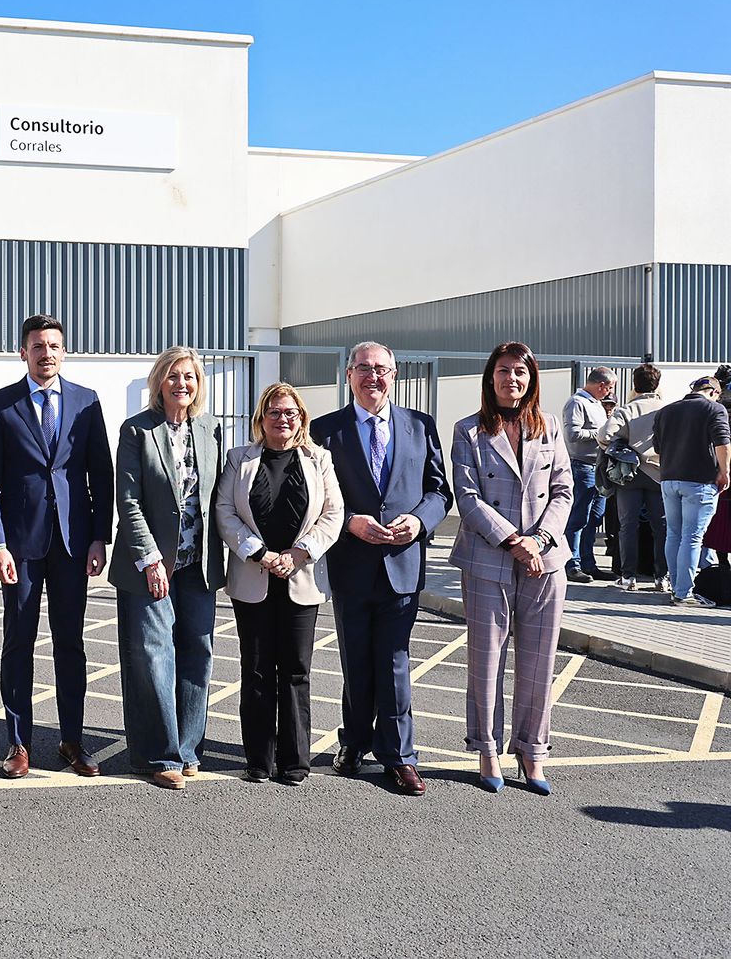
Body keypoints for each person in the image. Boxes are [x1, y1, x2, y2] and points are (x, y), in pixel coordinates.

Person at [310, 342, 452, 796]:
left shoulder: (420, 425)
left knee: (394, 662)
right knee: (355, 660)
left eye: (382, 369)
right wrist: (350, 520)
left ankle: (400, 757)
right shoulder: (324, 430)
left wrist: (419, 521)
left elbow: (438, 491)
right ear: (349, 374)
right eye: (364, 368)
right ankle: (353, 741)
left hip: (402, 564)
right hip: (351, 562)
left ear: (394, 375)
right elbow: (314, 497)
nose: (374, 376)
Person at [0, 314, 114, 779]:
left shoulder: (86, 402)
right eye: (38, 346)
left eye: (54, 345)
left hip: (74, 543)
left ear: (63, 350)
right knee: (18, 641)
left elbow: (101, 474)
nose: (47, 353)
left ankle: (72, 740)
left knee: (70, 644)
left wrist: (100, 535)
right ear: (23, 352)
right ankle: (18, 743)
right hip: (20, 544)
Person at [448, 341, 572, 795]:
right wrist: (514, 541)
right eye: (503, 371)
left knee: (539, 662)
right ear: (490, 377)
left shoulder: (550, 427)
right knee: (486, 661)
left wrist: (539, 540)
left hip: (545, 560)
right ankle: (486, 749)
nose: (511, 379)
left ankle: (532, 752)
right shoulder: (468, 431)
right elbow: (467, 497)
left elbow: (563, 490)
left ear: (532, 377)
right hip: (488, 558)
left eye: (520, 371)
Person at [107, 347, 226, 791]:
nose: (182, 384)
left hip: (199, 564)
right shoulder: (138, 430)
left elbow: (219, 497)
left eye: (190, 377)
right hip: (149, 565)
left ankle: (189, 748)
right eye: (173, 376)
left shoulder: (210, 428)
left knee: (199, 654)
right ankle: (159, 754)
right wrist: (151, 558)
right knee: (153, 658)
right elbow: (129, 500)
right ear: (159, 381)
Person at [216, 382, 344, 786]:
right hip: (253, 577)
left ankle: (294, 761)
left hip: (300, 578)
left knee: (295, 670)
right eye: (274, 412)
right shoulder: (240, 459)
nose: (282, 419)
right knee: (255, 669)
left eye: (290, 413)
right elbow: (224, 511)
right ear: (261, 418)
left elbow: (333, 514)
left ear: (301, 418)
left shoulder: (319, 459)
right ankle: (258, 758)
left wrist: (299, 554)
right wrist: (260, 553)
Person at [652, 376, 731, 608]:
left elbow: (657, 447)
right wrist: (725, 472)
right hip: (700, 480)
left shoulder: (666, 411)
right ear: (714, 392)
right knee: (692, 537)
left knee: (674, 534)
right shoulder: (715, 409)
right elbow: (723, 443)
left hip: (668, 479)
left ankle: (677, 588)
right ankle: (684, 593)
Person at [598, 362, 669, 592]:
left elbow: (604, 434)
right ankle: (662, 577)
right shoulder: (667, 408)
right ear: (657, 384)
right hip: (659, 473)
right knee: (661, 527)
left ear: (634, 384)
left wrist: (620, 446)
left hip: (630, 473)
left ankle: (628, 577)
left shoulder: (626, 409)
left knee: (627, 526)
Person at [561, 367, 617, 583]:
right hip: (582, 467)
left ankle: (588, 563)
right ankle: (571, 563)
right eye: (609, 387)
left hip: (598, 467)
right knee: (578, 517)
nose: (609, 392)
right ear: (601, 385)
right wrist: (601, 433)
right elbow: (573, 434)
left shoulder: (595, 404)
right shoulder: (577, 403)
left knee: (594, 518)